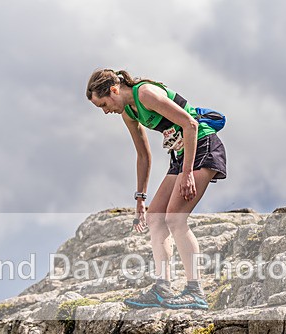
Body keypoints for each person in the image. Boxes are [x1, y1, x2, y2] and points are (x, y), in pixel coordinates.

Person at [86, 68, 227, 310]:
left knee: (175, 218)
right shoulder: (128, 112)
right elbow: (143, 155)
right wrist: (140, 198)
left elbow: (190, 124)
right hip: (181, 154)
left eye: (103, 105)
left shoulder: (145, 94)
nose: (105, 111)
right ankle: (163, 287)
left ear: (114, 90)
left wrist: (187, 173)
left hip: (202, 145)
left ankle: (195, 291)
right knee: (155, 217)